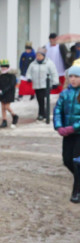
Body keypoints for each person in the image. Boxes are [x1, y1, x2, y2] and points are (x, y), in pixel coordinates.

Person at [53, 64, 80, 203]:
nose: (73, 79)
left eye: (76, 76)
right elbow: (57, 111)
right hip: (67, 134)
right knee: (67, 160)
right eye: (71, 76)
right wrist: (59, 126)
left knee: (77, 162)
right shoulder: (65, 94)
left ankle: (76, 192)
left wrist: (73, 128)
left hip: (78, 133)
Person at [27, 48, 57, 123]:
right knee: (40, 100)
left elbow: (54, 73)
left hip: (46, 85)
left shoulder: (49, 63)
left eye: (40, 55)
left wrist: (55, 82)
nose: (38, 57)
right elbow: (29, 72)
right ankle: (42, 113)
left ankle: (43, 114)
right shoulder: (33, 64)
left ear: (43, 56)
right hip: (37, 85)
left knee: (44, 99)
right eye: (37, 55)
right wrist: (29, 78)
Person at [0, 60, 18, 129]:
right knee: (2, 107)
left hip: (9, 93)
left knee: (7, 106)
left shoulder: (11, 75)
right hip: (2, 93)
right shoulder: (0, 74)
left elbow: (11, 84)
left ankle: (14, 115)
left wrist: (4, 90)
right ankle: (4, 120)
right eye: (2, 67)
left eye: (4, 67)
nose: (3, 68)